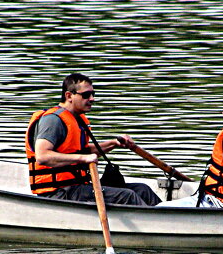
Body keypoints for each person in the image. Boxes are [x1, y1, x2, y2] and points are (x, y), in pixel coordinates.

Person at [26, 74, 161, 206]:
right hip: (58, 192)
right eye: (86, 95)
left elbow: (84, 151)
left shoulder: (77, 118)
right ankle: (155, 226)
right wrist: (83, 158)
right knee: (126, 195)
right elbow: (42, 156)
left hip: (78, 186)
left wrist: (113, 143)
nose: (92, 99)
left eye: (93, 94)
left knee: (142, 190)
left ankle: (168, 218)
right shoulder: (53, 120)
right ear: (69, 96)